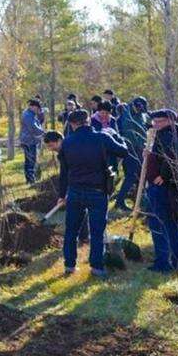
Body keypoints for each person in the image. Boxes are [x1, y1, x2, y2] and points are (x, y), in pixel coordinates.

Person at [57, 108, 129, 277]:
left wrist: (62, 195)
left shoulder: (67, 142)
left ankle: (69, 265)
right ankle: (97, 267)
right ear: (88, 120)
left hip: (75, 191)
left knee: (71, 231)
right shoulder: (102, 137)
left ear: (73, 124)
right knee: (97, 231)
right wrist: (119, 138)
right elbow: (123, 151)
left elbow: (63, 173)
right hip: (97, 191)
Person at [144, 109, 178, 272]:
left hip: (165, 188)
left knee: (164, 223)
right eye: (154, 122)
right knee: (169, 224)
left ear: (169, 121)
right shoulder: (166, 134)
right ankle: (172, 261)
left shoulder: (171, 136)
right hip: (167, 186)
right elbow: (160, 155)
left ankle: (166, 262)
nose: (155, 125)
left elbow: (173, 157)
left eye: (159, 122)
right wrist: (149, 155)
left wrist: (163, 176)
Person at [112, 101, 148, 211]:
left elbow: (143, 130)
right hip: (131, 150)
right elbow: (130, 135)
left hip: (140, 150)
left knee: (140, 177)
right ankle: (119, 201)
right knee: (131, 176)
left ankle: (140, 201)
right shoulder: (127, 116)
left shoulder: (140, 115)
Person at [19, 99, 45, 184]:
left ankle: (30, 179)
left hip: (30, 140)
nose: (38, 111)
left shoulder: (31, 114)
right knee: (31, 161)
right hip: (29, 141)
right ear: (33, 107)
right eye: (37, 109)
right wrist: (43, 133)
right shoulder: (28, 115)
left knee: (30, 160)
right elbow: (34, 128)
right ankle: (31, 180)